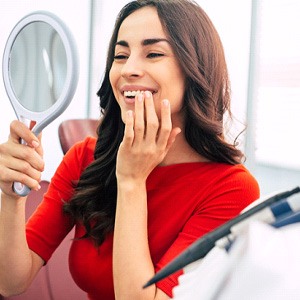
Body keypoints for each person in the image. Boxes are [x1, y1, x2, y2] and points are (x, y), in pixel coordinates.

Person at [0, 0, 260, 299]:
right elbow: (11, 282)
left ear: (194, 69)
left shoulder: (232, 190)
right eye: (120, 55)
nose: (129, 70)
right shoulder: (86, 157)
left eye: (153, 53)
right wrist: (10, 197)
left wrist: (132, 181)